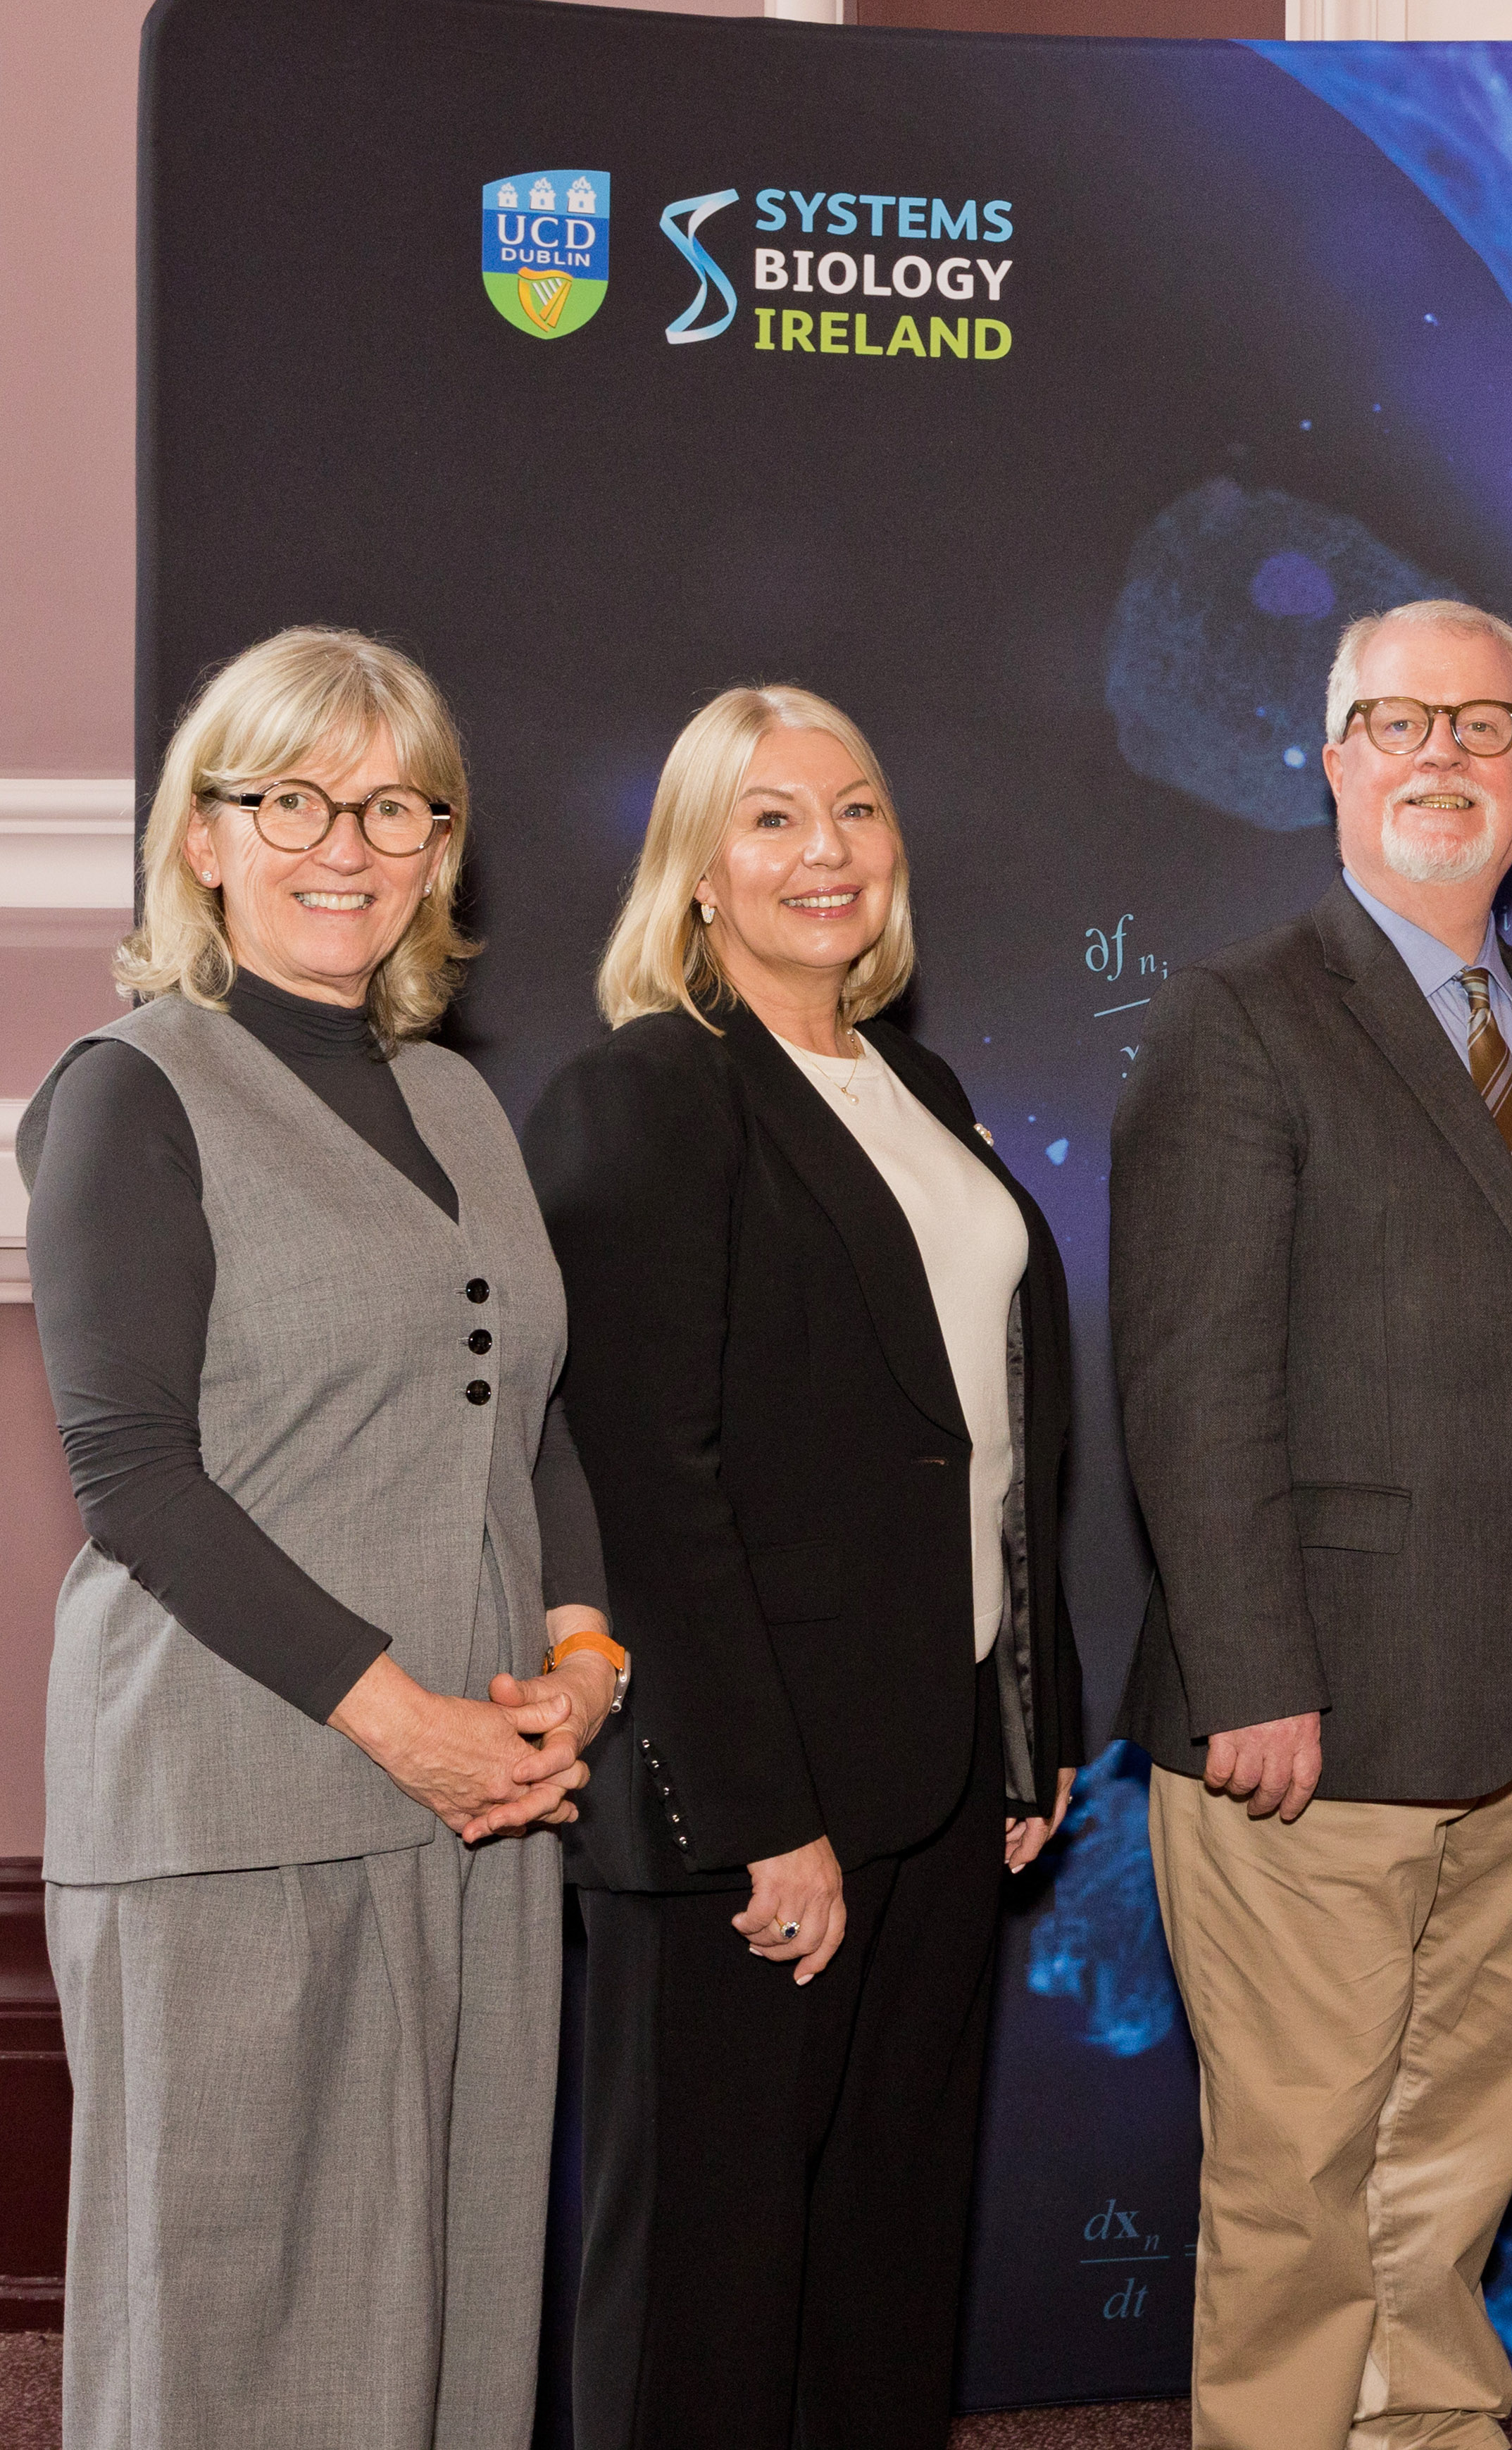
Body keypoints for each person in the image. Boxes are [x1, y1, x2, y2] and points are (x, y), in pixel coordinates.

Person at [18, 627, 622, 2450]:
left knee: (448, 2323)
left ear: (440, 851)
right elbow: (132, 1474)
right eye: (292, 800)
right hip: (239, 1805)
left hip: (479, 1805)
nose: (345, 846)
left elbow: (531, 1413)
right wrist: (405, 1722)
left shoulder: (457, 1103)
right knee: (243, 2347)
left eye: (394, 807)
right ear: (203, 838)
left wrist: (584, 1656)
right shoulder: (129, 1091)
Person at [1112, 598, 1512, 2449]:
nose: (1443, 753)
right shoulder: (1237, 1018)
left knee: (1466, 2124)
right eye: (1399, 722)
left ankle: (1425, 2429)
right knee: (1299, 2163)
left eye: (1483, 723)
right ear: (1335, 760)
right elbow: (1192, 1382)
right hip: (1317, 1698)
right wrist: (1245, 1674)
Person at [524, 685, 1085, 2449]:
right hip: (751, 1801)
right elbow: (646, 1487)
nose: (824, 850)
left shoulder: (916, 1085)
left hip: (937, 1770)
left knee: (883, 2262)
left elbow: (991, 1432)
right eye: (769, 818)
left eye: (854, 809)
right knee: (704, 2290)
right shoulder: (642, 1095)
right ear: (696, 869)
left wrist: (1027, 1722)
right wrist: (761, 1816)